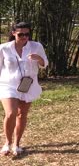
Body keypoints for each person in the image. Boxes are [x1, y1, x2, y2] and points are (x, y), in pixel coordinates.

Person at [0, 22, 48, 156]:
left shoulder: (36, 46)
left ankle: (17, 144)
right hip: (8, 84)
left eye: (27, 34)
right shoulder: (4, 48)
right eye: (21, 34)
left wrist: (39, 59)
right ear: (13, 33)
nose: (24, 37)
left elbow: (45, 64)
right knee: (11, 113)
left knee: (22, 115)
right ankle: (7, 143)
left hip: (28, 85)